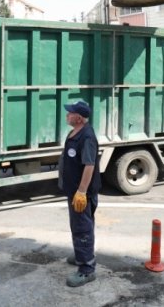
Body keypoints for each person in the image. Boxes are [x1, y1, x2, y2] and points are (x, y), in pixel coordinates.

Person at [59, 99, 100, 287]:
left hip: (81, 194)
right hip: (73, 191)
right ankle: (82, 254)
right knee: (78, 226)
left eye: (70, 112)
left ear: (80, 118)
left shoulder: (87, 137)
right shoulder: (75, 132)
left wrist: (82, 191)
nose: (67, 114)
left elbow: (89, 165)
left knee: (82, 228)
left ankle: (87, 269)